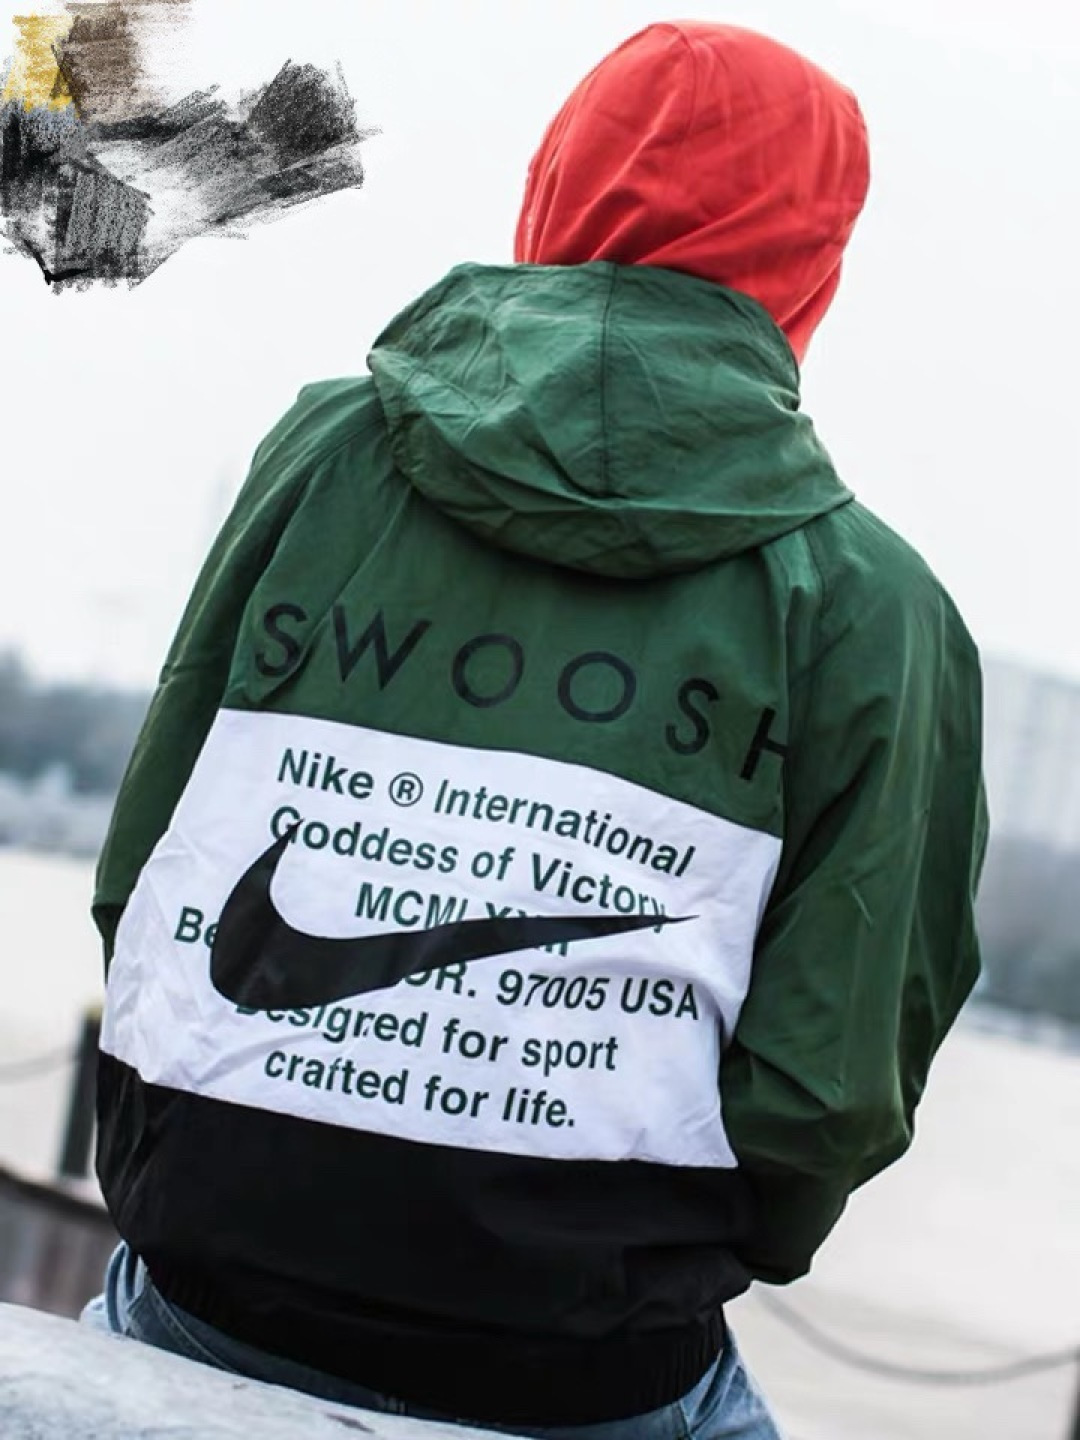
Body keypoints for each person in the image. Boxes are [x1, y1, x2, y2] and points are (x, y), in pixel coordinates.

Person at [84, 21, 987, 1440]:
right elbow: (830, 1090)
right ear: (813, 258)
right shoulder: (873, 607)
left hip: (210, 1273)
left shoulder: (323, 457)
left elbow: (149, 872)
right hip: (580, 1357)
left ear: (558, 185)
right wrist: (619, 1244)